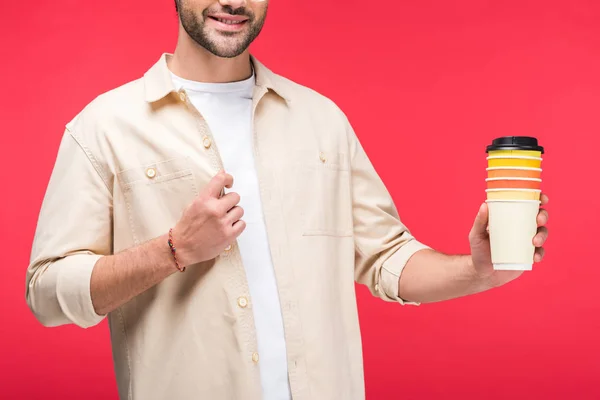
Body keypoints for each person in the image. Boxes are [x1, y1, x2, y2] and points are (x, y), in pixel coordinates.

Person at [25, 1, 550, 399]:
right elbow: (46, 293)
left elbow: (386, 259)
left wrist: (481, 270)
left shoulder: (322, 121)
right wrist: (173, 249)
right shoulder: (104, 128)